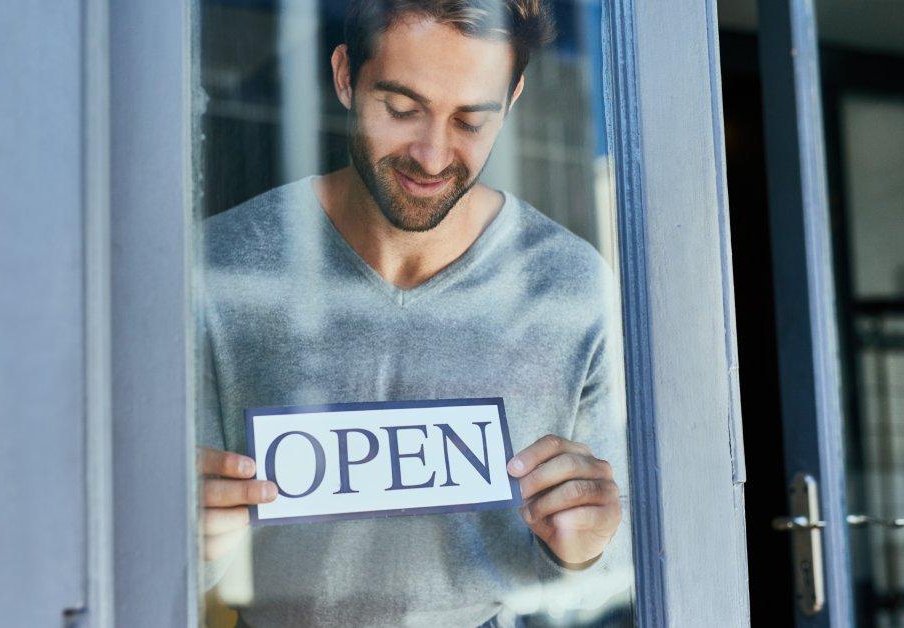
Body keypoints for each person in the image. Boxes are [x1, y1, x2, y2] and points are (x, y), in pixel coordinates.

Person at [197, 1, 629, 626]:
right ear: (345, 75)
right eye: (401, 110)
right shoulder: (220, 268)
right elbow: (157, 559)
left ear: (512, 98)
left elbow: (625, 564)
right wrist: (189, 535)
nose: (431, 157)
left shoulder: (570, 286)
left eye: (471, 122)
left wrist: (586, 551)